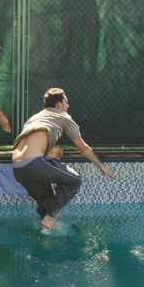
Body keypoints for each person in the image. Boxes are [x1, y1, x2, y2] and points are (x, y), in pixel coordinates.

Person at [12, 88, 114, 229]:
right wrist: (100, 165)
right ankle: (48, 220)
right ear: (59, 105)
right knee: (75, 180)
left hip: (18, 168)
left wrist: (48, 153)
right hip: (34, 163)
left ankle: (46, 225)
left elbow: (28, 146)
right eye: (66, 103)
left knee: (46, 198)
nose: (68, 106)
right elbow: (82, 147)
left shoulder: (35, 118)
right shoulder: (63, 116)